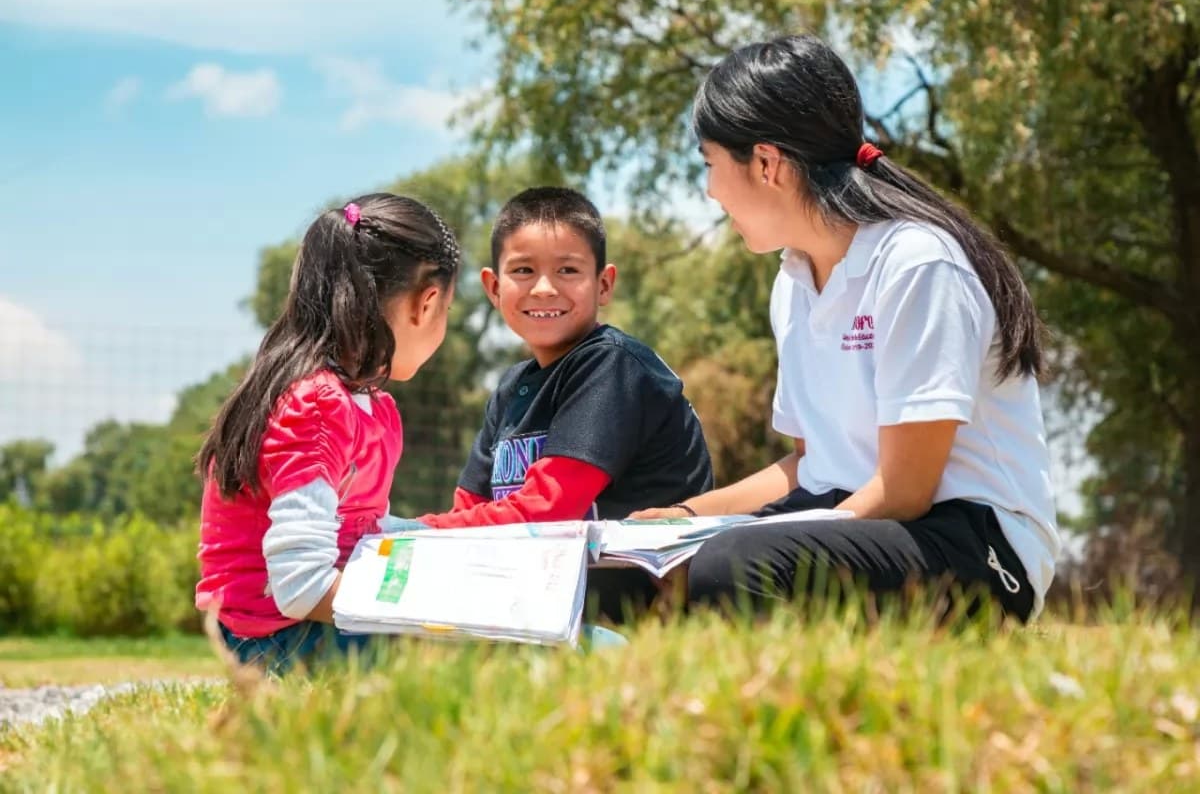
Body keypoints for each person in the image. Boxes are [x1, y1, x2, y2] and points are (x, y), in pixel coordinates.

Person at [633, 34, 1061, 622]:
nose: (708, 190)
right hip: (859, 517)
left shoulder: (915, 262)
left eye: (710, 164)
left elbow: (907, 490)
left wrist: (734, 542)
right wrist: (684, 518)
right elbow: (810, 468)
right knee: (636, 571)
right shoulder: (793, 282)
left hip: (976, 544)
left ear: (766, 163)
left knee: (730, 567)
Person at [195, 193, 460, 673]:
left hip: (300, 626)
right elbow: (300, 586)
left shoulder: (366, 406)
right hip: (279, 641)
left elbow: (355, 529)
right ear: (428, 303)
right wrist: (424, 616)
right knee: (482, 653)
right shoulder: (317, 407)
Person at [420, 186, 714, 619]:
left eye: (568, 270)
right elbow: (468, 507)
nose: (543, 288)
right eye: (523, 270)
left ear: (604, 284)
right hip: (536, 608)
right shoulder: (509, 388)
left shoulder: (611, 365)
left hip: (634, 613)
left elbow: (549, 509)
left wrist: (417, 531)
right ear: (493, 287)